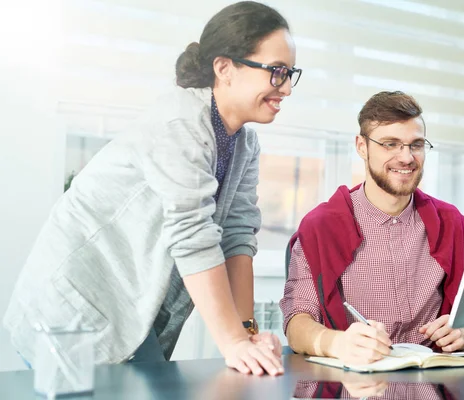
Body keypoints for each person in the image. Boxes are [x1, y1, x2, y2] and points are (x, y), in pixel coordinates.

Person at [4, 1, 302, 377]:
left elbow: (237, 239)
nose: (287, 88)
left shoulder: (244, 145)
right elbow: (193, 235)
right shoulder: (178, 123)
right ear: (225, 68)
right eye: (276, 72)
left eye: (290, 73)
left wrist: (248, 333)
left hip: (131, 313)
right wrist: (232, 343)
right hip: (72, 310)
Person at [280, 91, 464, 366]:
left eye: (416, 145)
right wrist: (338, 343)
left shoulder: (451, 223)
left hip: (435, 380)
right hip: (354, 383)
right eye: (390, 144)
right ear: (361, 146)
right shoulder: (321, 226)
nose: (407, 158)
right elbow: (297, 322)